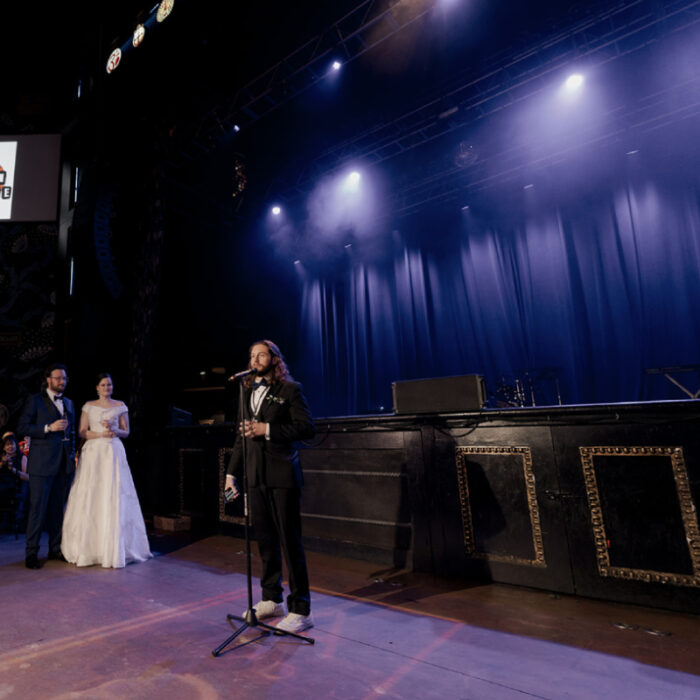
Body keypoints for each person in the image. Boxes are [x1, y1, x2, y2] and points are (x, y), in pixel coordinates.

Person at [226, 339, 316, 634]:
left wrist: (268, 430)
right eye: (251, 354)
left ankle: (301, 609)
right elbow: (241, 436)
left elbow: (307, 428)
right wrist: (231, 474)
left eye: (261, 354)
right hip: (256, 476)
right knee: (265, 540)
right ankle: (271, 599)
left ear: (275, 358)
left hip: (282, 475)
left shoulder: (290, 389)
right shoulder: (247, 390)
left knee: (290, 542)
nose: (255, 358)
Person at [61, 373, 151, 568]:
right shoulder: (88, 405)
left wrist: (114, 430)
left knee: (114, 492)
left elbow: (126, 431)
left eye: (109, 385)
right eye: (103, 385)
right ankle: (90, 548)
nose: (107, 388)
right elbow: (83, 431)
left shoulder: (120, 405)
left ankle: (114, 547)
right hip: (94, 451)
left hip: (113, 451)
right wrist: (101, 433)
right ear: (97, 387)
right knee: (93, 492)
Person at [17, 364, 75, 569]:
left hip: (62, 464)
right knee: (37, 510)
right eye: (58, 378)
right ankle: (31, 553)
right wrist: (47, 428)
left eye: (65, 378)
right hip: (41, 465)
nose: (62, 382)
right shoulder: (35, 401)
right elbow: (22, 427)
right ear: (48, 379)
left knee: (57, 510)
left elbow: (72, 433)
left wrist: (72, 456)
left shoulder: (68, 402)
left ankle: (55, 548)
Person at [0, 432, 29, 528]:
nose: (10, 447)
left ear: (16, 445)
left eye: (12, 444)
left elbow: (27, 477)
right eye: (7, 445)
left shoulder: (22, 457)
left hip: (15, 486)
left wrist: (13, 470)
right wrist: (3, 463)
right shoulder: (1, 458)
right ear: (3, 447)